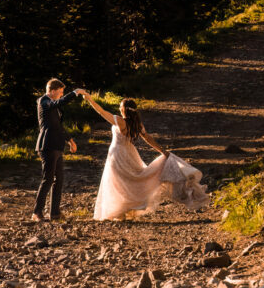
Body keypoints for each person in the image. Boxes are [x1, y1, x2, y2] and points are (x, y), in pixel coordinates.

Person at [82, 92, 209, 221]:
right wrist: (163, 151)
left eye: (120, 106)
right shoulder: (137, 124)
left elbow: (101, 111)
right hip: (130, 154)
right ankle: (125, 209)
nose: (119, 109)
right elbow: (148, 138)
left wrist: (90, 99)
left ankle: (119, 211)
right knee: (132, 180)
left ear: (124, 109)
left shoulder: (119, 121)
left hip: (117, 154)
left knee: (118, 183)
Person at [32, 78, 85, 222]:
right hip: (47, 145)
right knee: (48, 179)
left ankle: (54, 213)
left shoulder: (53, 105)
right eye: (60, 92)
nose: (61, 95)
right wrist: (75, 93)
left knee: (59, 179)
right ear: (52, 91)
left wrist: (70, 140)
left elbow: (58, 126)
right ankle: (37, 212)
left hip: (57, 145)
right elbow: (59, 102)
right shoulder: (44, 101)